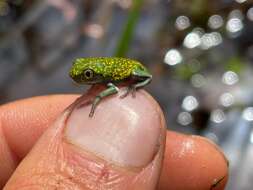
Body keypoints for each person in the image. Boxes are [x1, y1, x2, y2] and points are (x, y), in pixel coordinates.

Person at [0, 86, 228, 189]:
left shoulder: (110, 82)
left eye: (88, 76)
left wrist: (98, 100)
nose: (81, 79)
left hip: (133, 76)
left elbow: (111, 87)